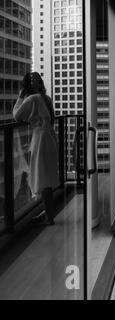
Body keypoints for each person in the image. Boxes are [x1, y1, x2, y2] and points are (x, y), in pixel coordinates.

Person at [13, 72, 59, 226]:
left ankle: (49, 218)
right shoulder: (46, 98)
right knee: (47, 177)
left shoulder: (32, 99)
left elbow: (16, 115)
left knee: (42, 178)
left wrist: (21, 95)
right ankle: (49, 213)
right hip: (51, 139)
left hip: (41, 141)